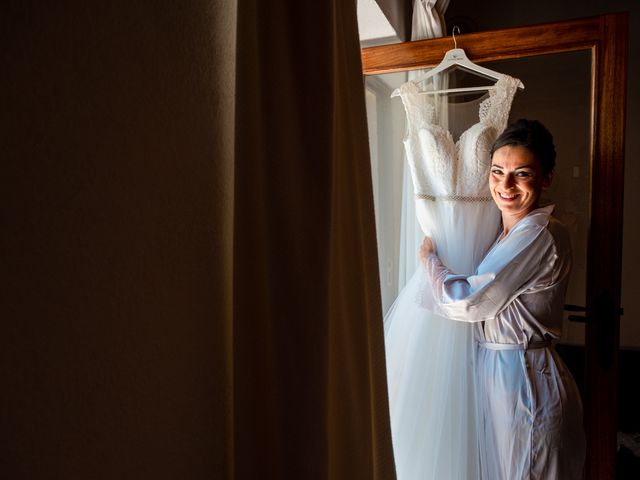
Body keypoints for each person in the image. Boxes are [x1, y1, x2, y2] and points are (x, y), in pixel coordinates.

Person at [418, 119, 586, 479]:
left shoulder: (539, 233)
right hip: (500, 372)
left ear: (546, 178)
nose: (505, 185)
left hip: (525, 377)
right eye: (497, 171)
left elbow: (470, 302)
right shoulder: (502, 234)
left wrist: (429, 261)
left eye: (521, 173)